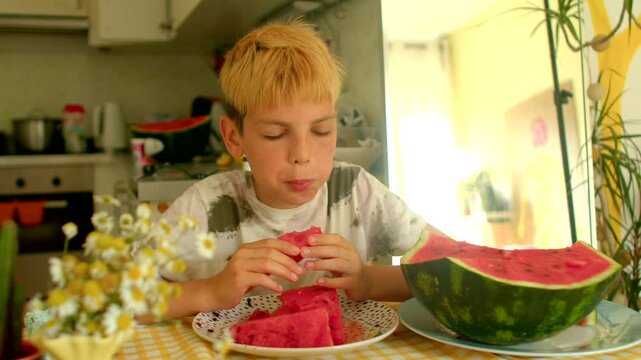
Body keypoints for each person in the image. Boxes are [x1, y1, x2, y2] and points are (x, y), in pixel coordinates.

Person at [155, 19, 431, 320]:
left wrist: (367, 280)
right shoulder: (207, 205)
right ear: (235, 138)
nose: (302, 155)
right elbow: (115, 296)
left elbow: (444, 270)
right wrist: (212, 290)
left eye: (322, 130)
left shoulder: (355, 190)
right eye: (275, 134)